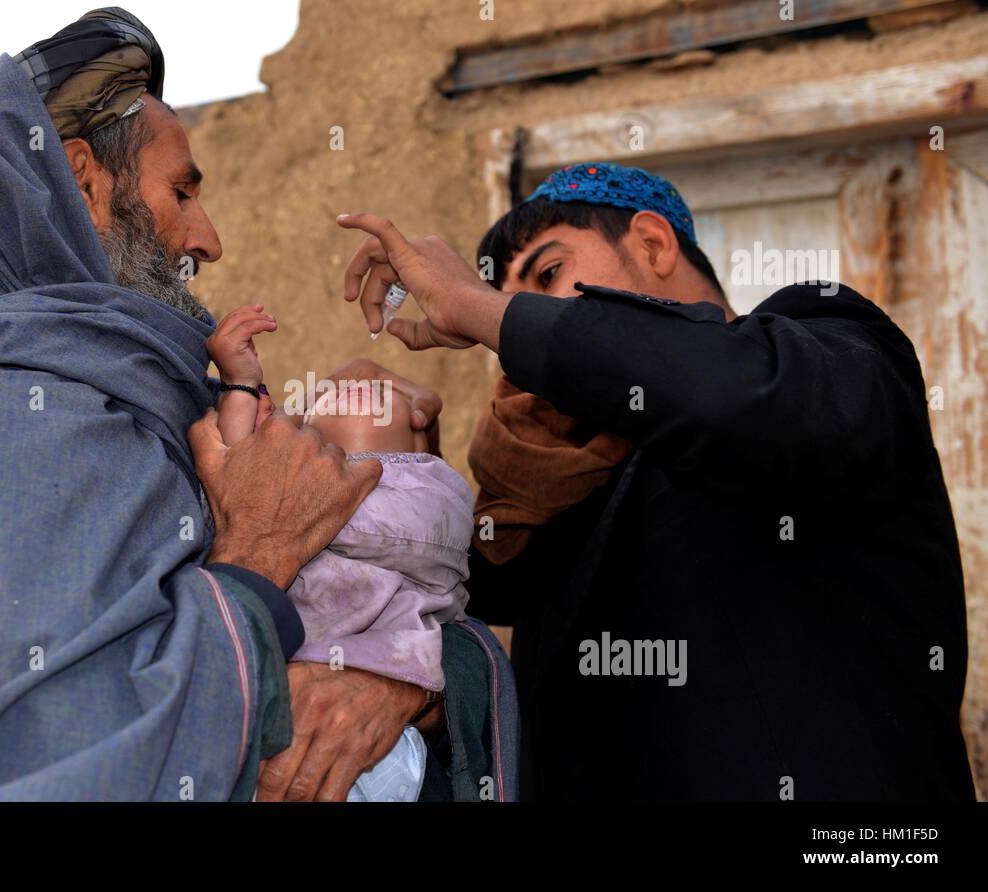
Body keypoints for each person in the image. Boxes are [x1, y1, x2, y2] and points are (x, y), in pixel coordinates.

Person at [0, 8, 503, 802]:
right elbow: (33, 768)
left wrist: (403, 685)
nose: (209, 239)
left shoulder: (124, 403)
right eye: (182, 193)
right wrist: (256, 562)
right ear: (82, 183)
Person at [336, 161, 975, 800]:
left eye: (547, 275)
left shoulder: (823, 347)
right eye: (509, 298)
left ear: (653, 243)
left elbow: (731, 393)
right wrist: (407, 453)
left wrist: (476, 305)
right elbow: (475, 588)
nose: (516, 326)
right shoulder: (561, 473)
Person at [206, 304, 474, 800]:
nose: (354, 389)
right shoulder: (284, 481)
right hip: (274, 704)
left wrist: (314, 511)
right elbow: (238, 467)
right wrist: (240, 381)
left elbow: (424, 543)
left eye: (383, 393)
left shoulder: (433, 494)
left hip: (377, 746)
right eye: (321, 396)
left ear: (420, 438)